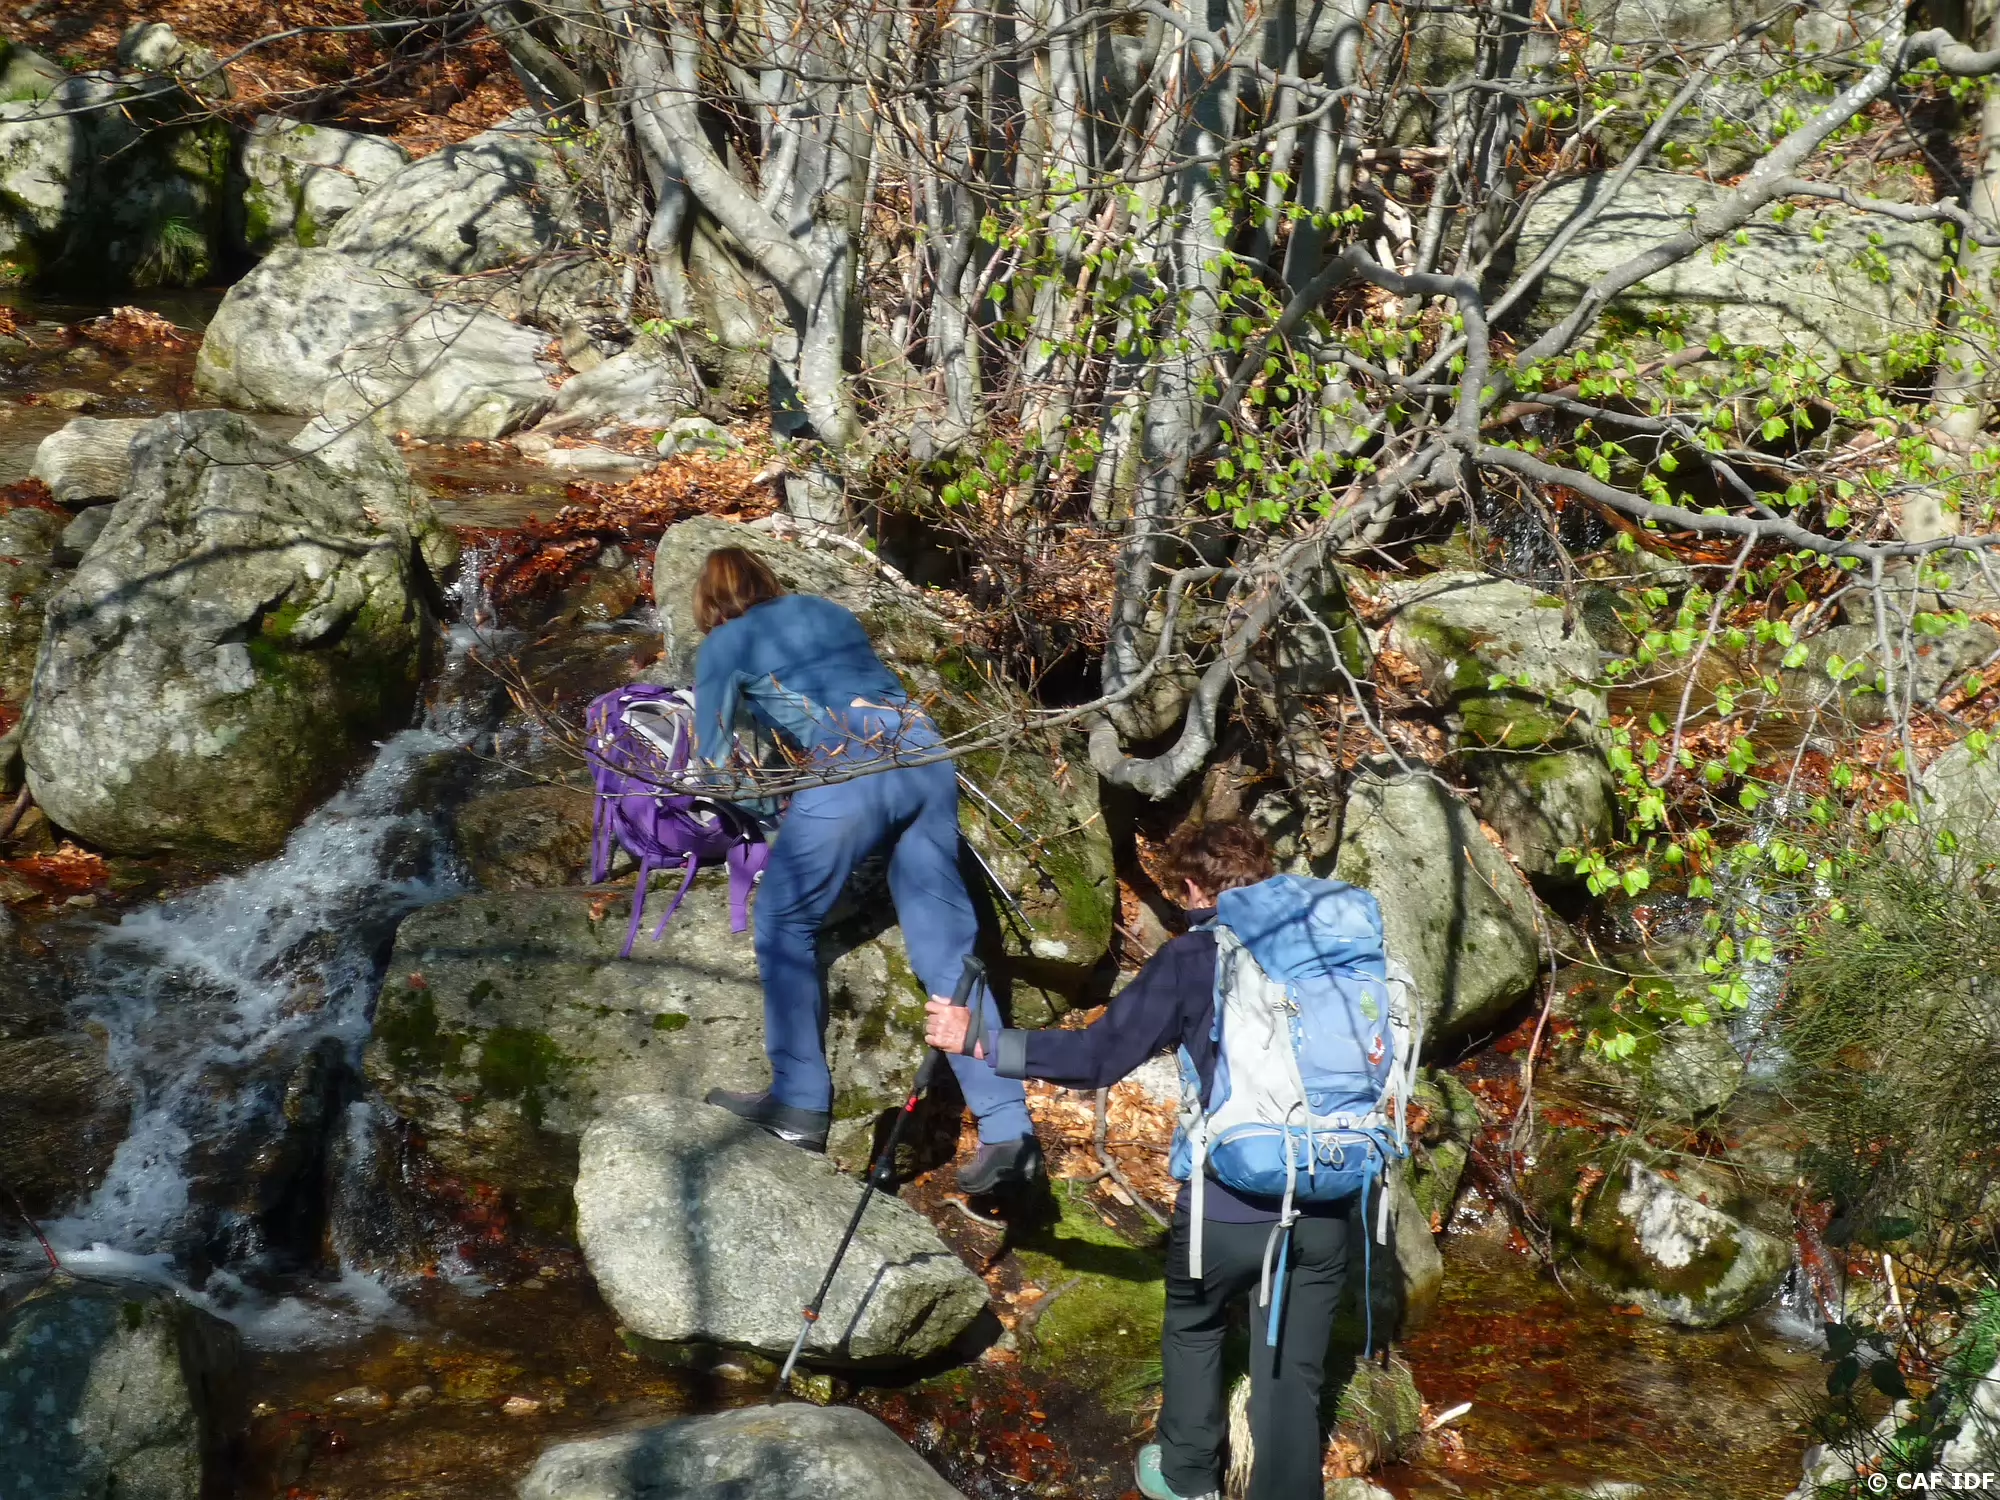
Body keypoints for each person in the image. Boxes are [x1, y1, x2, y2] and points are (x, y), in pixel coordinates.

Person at [926, 819, 1355, 1500]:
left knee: (1196, 1325)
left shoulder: (1195, 958)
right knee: (1292, 1372)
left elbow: (1098, 1057)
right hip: (1331, 1192)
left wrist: (984, 1041)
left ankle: (1187, 1477)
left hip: (1232, 1199)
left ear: (1191, 887)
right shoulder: (1330, 950)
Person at [689, 544, 1043, 1194]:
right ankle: (1008, 1131)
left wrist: (770, 815)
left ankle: (798, 1103)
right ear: (767, 581)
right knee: (947, 952)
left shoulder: (723, 643)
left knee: (783, 920)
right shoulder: (825, 611)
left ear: (708, 603)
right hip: (922, 751)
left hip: (854, 765)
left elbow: (712, 769)